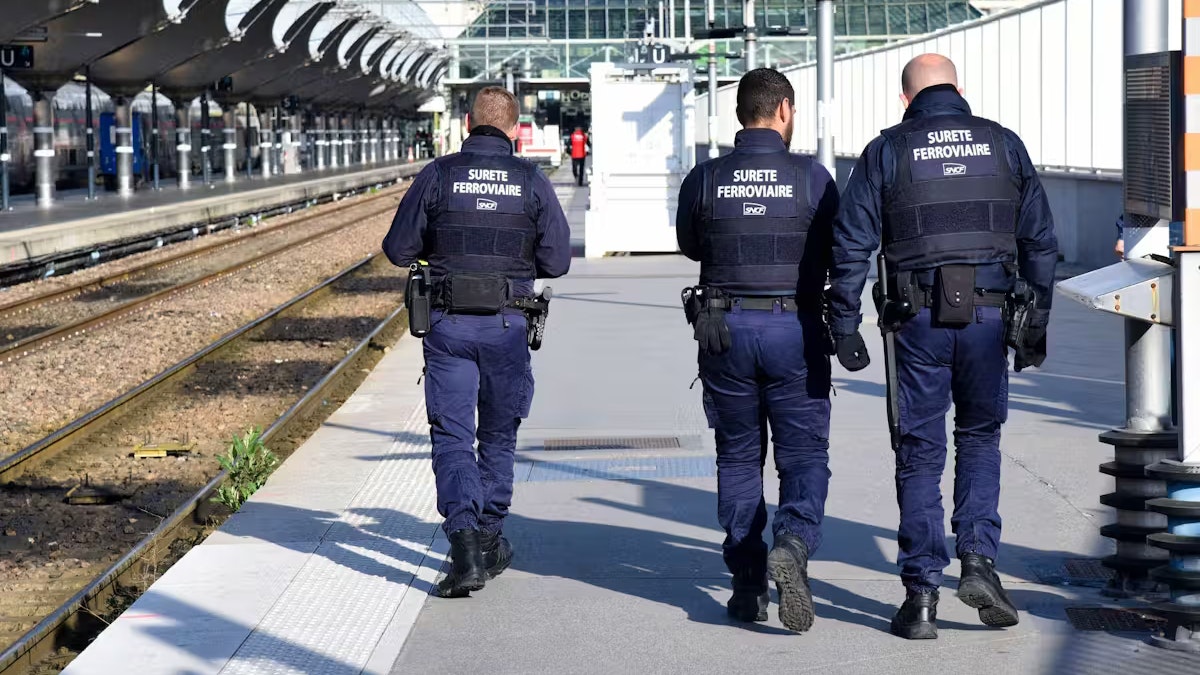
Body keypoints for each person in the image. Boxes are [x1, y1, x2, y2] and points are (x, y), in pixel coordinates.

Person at [825, 53, 1058, 639]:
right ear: (960, 90)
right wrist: (1038, 321)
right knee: (980, 438)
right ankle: (978, 560)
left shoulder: (887, 151)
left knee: (919, 450)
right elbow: (1040, 242)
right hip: (988, 315)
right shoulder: (1004, 145)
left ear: (906, 100)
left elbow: (851, 244)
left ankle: (921, 596)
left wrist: (844, 323)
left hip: (917, 320)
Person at [382, 86, 572, 597]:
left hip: (448, 327)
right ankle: (488, 538)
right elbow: (556, 262)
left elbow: (398, 249)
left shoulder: (439, 174)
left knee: (452, 437)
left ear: (468, 123)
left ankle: (465, 548)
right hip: (508, 327)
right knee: (499, 435)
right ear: (515, 129)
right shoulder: (532, 180)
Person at [676, 68, 839, 633]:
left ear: (738, 114)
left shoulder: (704, 178)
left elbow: (689, 244)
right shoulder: (814, 178)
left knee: (739, 456)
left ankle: (747, 586)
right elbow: (836, 253)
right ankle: (792, 544)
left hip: (724, 332)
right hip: (794, 332)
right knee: (803, 456)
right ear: (785, 111)